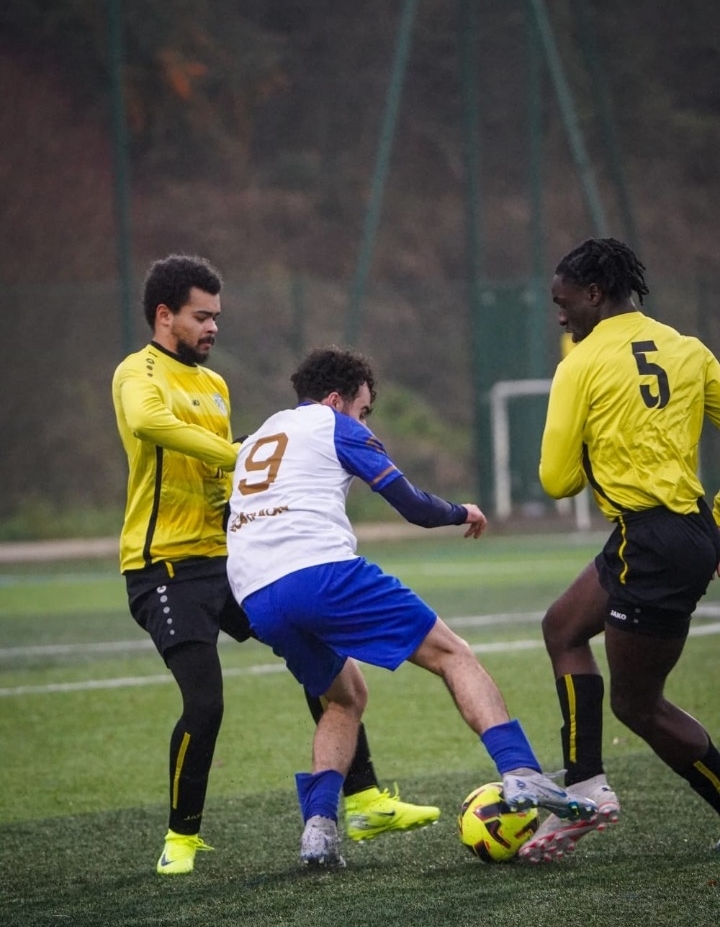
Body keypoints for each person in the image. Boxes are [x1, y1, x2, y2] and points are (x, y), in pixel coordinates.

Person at [111, 255, 440, 877]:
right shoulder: (138, 372)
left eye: (217, 316)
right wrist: (234, 453)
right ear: (164, 316)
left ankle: (365, 800)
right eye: (201, 316)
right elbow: (149, 423)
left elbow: (224, 476)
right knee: (205, 702)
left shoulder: (215, 385)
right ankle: (181, 839)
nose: (213, 327)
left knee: (321, 656)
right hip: (164, 567)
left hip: (231, 561)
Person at [225, 344, 597, 868]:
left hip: (255, 594)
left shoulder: (259, 436)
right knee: (452, 653)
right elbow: (413, 506)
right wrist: (462, 511)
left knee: (344, 697)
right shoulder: (334, 425)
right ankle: (521, 772)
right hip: (318, 572)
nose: (364, 421)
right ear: (335, 400)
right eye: (363, 410)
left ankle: (319, 830)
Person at [518, 237, 720, 863]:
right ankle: (585, 784)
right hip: (678, 531)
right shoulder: (688, 348)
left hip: (652, 542)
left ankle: (589, 788)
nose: (559, 316)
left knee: (639, 705)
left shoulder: (580, 365)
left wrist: (592, 441)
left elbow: (557, 482)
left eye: (564, 303)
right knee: (562, 627)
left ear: (594, 293)